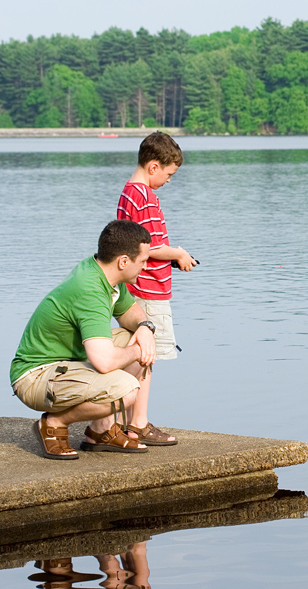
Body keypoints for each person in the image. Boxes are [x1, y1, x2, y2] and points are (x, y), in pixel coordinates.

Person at [10, 219, 176, 460]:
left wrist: (145, 328)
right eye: (143, 261)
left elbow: (130, 312)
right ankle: (54, 423)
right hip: (35, 376)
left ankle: (101, 431)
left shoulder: (102, 273)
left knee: (135, 338)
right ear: (123, 261)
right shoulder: (90, 290)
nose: (145, 266)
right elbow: (104, 362)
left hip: (66, 364)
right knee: (126, 391)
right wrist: (138, 352)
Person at [117, 131, 196, 445]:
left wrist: (170, 256)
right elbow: (148, 247)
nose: (168, 180)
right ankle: (138, 422)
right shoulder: (146, 196)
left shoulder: (128, 192)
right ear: (153, 167)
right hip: (149, 291)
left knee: (136, 354)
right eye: (168, 174)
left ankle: (123, 420)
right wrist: (177, 253)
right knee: (146, 357)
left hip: (135, 286)